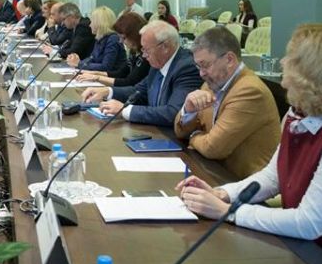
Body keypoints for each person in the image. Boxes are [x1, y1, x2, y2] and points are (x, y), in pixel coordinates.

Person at [176, 24, 322, 245]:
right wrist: (222, 194)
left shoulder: (253, 91)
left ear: (311, 73)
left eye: (291, 59)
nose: (282, 62)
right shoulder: (298, 115)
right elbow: (272, 177)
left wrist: (228, 211)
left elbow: (309, 223)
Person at [174, 27, 280, 178]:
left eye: (205, 65)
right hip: (213, 171)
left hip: (243, 182)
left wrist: (194, 136)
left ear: (229, 59)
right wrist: (188, 110)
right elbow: (179, 131)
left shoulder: (250, 91)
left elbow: (213, 148)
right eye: (198, 66)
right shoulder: (211, 83)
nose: (201, 73)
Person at [82, 20, 202, 127]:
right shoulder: (158, 62)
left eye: (146, 50)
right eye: (143, 50)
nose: (144, 55)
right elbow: (138, 91)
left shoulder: (186, 68)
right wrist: (107, 92)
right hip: (154, 130)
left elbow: (173, 113)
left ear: (165, 47)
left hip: (172, 139)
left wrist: (124, 110)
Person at [77, 12, 150, 87]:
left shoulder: (146, 55)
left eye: (123, 38)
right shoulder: (134, 51)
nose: (120, 41)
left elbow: (129, 82)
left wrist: (97, 78)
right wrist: (96, 74)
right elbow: (121, 73)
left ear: (134, 36)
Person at [68, 6, 125, 72]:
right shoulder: (100, 38)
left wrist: (79, 64)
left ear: (99, 23)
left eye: (92, 22)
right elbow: (92, 58)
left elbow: (105, 67)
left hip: (111, 77)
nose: (90, 25)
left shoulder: (113, 39)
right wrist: (77, 62)